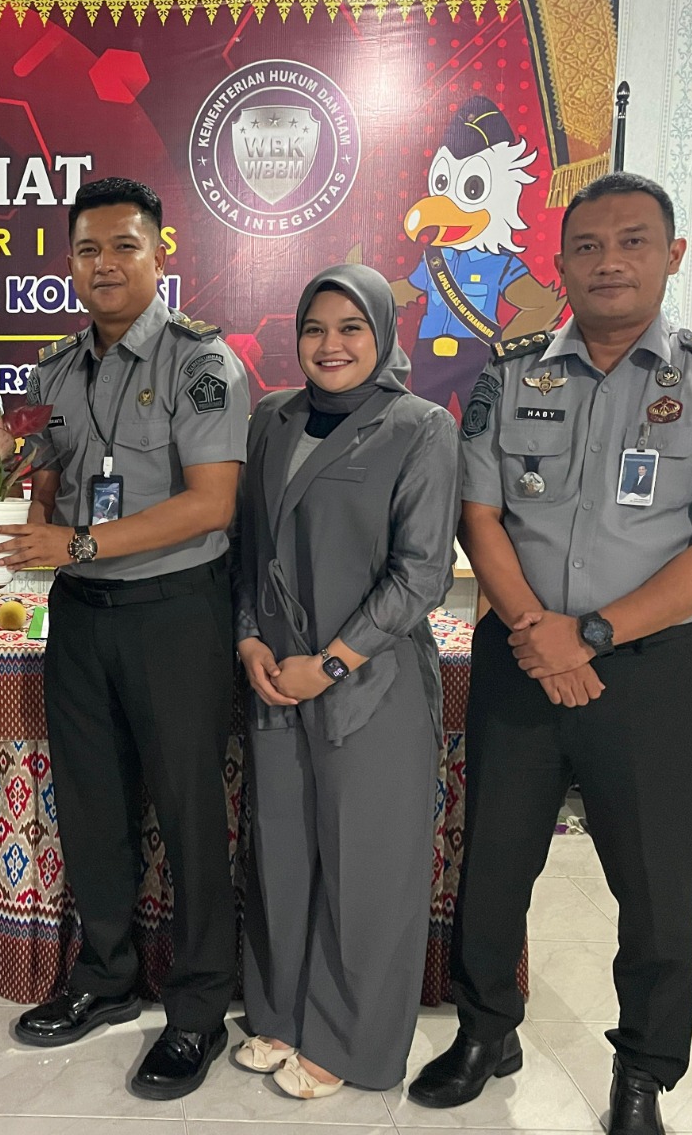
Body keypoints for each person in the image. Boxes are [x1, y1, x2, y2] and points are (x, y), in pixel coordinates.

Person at [408, 173, 692, 1135]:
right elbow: (480, 516)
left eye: (632, 241)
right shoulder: (510, 372)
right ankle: (486, 1032)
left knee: (655, 887)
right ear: (560, 263)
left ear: (672, 255)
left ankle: (644, 1074)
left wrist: (591, 634)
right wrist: (541, 634)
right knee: (494, 864)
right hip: (519, 655)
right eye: (588, 245)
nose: (609, 261)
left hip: (653, 672)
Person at [0, 177, 250, 1100]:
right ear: (70, 262)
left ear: (159, 253)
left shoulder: (201, 362)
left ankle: (199, 1004)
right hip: (81, 617)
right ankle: (105, 976)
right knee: (93, 805)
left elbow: (211, 503)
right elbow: (43, 485)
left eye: (124, 246)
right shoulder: (55, 371)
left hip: (174, 613)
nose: (104, 265)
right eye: (88, 250)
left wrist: (78, 541)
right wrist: (9, 503)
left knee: (188, 812)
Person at [232, 263, 461, 1099]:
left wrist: (330, 663)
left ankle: (354, 1042)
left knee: (367, 867)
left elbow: (421, 574)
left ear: (382, 335)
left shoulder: (421, 428)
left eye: (351, 328)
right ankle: (280, 1013)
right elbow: (249, 545)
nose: (330, 345)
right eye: (315, 329)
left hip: (368, 683)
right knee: (282, 853)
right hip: (276, 679)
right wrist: (249, 639)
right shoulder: (272, 417)